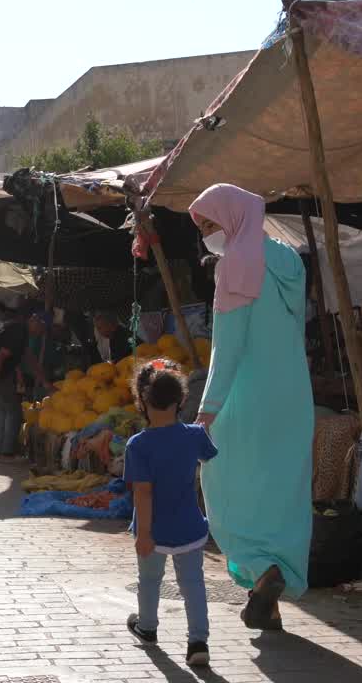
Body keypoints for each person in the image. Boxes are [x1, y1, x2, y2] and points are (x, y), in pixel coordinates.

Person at [190, 183, 313, 631]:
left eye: (211, 224)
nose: (209, 235)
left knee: (227, 485)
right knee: (281, 492)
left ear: (234, 218)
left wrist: (207, 410)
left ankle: (262, 571)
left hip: (246, 396)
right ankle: (269, 597)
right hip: (292, 395)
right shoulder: (287, 258)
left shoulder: (235, 266)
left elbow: (228, 347)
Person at [124, 360, 217, 668]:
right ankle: (197, 642)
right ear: (181, 401)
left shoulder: (138, 445)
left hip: (154, 530)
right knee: (193, 583)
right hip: (190, 526)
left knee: (149, 580)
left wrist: (145, 534)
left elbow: (143, 492)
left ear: (142, 402)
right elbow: (210, 457)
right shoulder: (194, 436)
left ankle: (148, 628)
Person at [0, 308, 52, 457]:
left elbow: (28, 356)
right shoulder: (19, 332)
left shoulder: (20, 329)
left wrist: (45, 381)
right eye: (42, 329)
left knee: (5, 410)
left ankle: (2, 448)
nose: (40, 333)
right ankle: (6, 450)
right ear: (35, 321)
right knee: (13, 411)